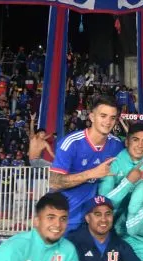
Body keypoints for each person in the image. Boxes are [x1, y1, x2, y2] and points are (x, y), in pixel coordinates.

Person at [49, 95, 123, 233]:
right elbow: (54, 182)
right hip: (67, 218)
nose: (108, 121)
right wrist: (92, 173)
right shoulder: (72, 143)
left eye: (112, 118)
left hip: (96, 222)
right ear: (92, 117)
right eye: (103, 116)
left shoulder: (116, 145)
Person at [97, 123, 143, 237]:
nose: (140, 145)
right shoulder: (113, 163)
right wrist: (127, 182)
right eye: (135, 140)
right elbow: (103, 203)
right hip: (108, 218)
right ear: (126, 142)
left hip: (131, 219)